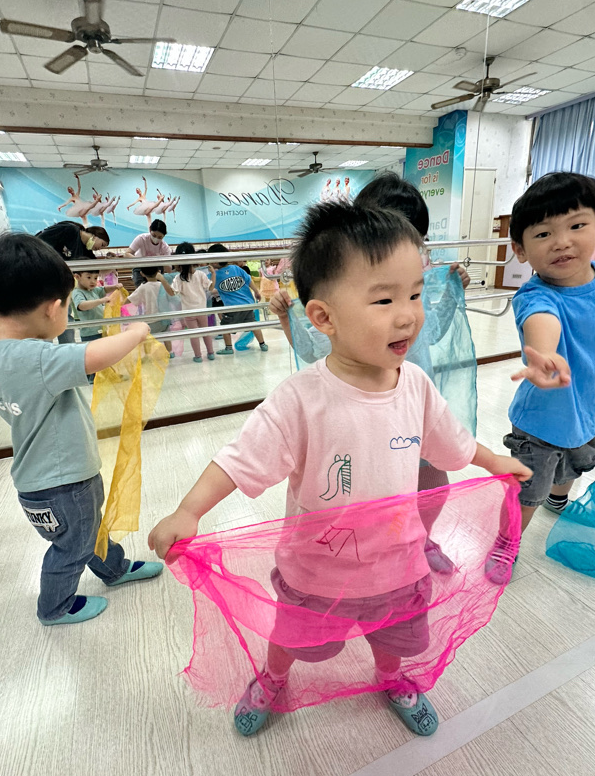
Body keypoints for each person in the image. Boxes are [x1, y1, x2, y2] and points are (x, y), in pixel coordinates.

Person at [149, 202, 530, 737]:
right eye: (385, 299)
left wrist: (494, 462)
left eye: (415, 294)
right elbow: (239, 459)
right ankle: (274, 677)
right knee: (295, 637)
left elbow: (453, 444)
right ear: (324, 318)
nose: (408, 315)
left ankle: (391, 678)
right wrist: (188, 510)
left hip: (397, 563)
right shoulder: (301, 398)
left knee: (394, 633)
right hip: (317, 569)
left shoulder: (415, 385)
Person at [268, 173, 471, 573]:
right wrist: (287, 320)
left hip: (415, 414)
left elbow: (433, 330)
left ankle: (422, 540)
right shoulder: (351, 303)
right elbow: (312, 348)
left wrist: (451, 292)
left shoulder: (413, 296)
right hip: (366, 427)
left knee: (433, 487)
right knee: (374, 498)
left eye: (415, 241)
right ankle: (368, 554)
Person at [0, 235, 162, 626]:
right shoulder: (35, 358)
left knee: (89, 530)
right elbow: (94, 356)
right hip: (62, 482)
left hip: (53, 477)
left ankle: (114, 568)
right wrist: (137, 331)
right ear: (52, 308)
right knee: (73, 546)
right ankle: (54, 607)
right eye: (68, 305)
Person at [489, 172, 595, 582]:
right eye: (543, 234)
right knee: (528, 491)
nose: (561, 242)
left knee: (576, 465)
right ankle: (506, 543)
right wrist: (546, 358)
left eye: (576, 226)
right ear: (520, 249)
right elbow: (543, 324)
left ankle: (558, 499)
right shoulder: (536, 296)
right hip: (543, 421)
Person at [208, 243, 267, 354]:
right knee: (253, 324)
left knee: (224, 327)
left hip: (232, 307)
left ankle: (229, 348)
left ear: (214, 261)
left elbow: (210, 287)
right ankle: (263, 344)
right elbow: (248, 280)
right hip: (247, 304)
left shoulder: (215, 274)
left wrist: (213, 274)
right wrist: (256, 291)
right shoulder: (236, 268)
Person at [163, 241, 215, 363]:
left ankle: (198, 356)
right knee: (206, 332)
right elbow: (211, 288)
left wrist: (163, 280)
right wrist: (213, 273)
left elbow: (172, 293)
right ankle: (211, 353)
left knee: (194, 335)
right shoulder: (200, 274)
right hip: (202, 310)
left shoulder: (178, 278)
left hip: (188, 312)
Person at [71, 271, 114, 382]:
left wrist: (115, 287)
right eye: (89, 277)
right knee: (93, 357)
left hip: (99, 330)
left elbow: (104, 289)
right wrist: (100, 301)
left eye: (95, 278)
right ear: (77, 277)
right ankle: (92, 379)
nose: (93, 281)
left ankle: (104, 375)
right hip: (90, 332)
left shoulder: (93, 290)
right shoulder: (77, 292)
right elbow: (82, 305)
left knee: (103, 354)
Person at [127, 266, 174, 355]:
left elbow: (130, 299)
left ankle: (148, 354)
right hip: (165, 318)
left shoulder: (143, 288)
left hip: (151, 320)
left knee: (147, 338)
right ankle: (170, 352)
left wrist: (117, 301)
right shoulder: (163, 285)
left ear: (142, 274)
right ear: (158, 271)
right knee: (166, 336)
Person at [125, 219, 172, 287]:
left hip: (156, 269)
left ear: (164, 236)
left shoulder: (165, 247)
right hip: (140, 267)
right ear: (150, 230)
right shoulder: (141, 238)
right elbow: (127, 253)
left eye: (160, 237)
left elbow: (169, 270)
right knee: (140, 288)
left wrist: (164, 262)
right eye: (154, 235)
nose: (156, 239)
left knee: (157, 289)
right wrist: (140, 261)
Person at [36, 220, 109, 261]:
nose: (100, 248)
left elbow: (94, 264)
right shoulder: (70, 229)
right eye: (102, 245)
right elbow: (40, 241)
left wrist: (109, 258)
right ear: (96, 236)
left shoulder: (85, 249)